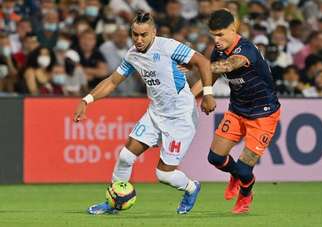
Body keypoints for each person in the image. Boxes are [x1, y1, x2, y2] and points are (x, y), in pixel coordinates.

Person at [73, 11, 216, 215]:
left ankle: (192, 188)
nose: (139, 39)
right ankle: (114, 202)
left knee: (163, 175)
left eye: (144, 35)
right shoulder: (132, 55)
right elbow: (113, 81)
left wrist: (208, 94)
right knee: (125, 156)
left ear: (154, 33)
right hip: (155, 113)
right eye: (135, 34)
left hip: (180, 117)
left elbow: (202, 61)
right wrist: (86, 100)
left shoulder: (168, 46)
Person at [192, 9, 281, 214]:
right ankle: (235, 176)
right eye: (213, 35)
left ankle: (246, 194)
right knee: (215, 158)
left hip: (263, 115)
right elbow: (208, 79)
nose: (216, 39)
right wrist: (189, 96)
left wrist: (201, 64)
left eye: (221, 34)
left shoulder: (246, 49)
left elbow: (231, 64)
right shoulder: (218, 52)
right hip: (237, 111)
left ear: (234, 29)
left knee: (244, 169)